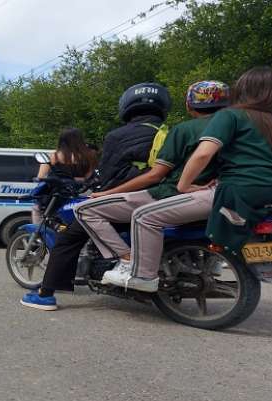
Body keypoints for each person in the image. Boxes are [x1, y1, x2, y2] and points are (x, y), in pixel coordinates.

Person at [20, 82, 171, 310]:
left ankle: (45, 294)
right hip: (166, 200)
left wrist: (100, 190)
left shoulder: (117, 136)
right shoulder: (171, 132)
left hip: (126, 200)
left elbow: (107, 176)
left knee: (68, 238)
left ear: (127, 106)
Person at [74, 80, 230, 292]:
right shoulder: (238, 128)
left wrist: (105, 193)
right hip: (222, 195)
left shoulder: (184, 130)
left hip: (171, 193)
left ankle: (127, 260)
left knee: (84, 209)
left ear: (189, 105)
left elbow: (154, 175)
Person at [178, 66, 272, 256]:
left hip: (243, 193)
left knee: (146, 216)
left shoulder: (231, 115)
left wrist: (184, 185)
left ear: (243, 89)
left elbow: (203, 154)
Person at [31, 128, 97, 223]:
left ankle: (41, 234)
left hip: (56, 196)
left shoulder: (55, 156)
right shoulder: (89, 156)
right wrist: (76, 180)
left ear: (62, 140)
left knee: (37, 209)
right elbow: (88, 177)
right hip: (80, 193)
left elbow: (41, 176)